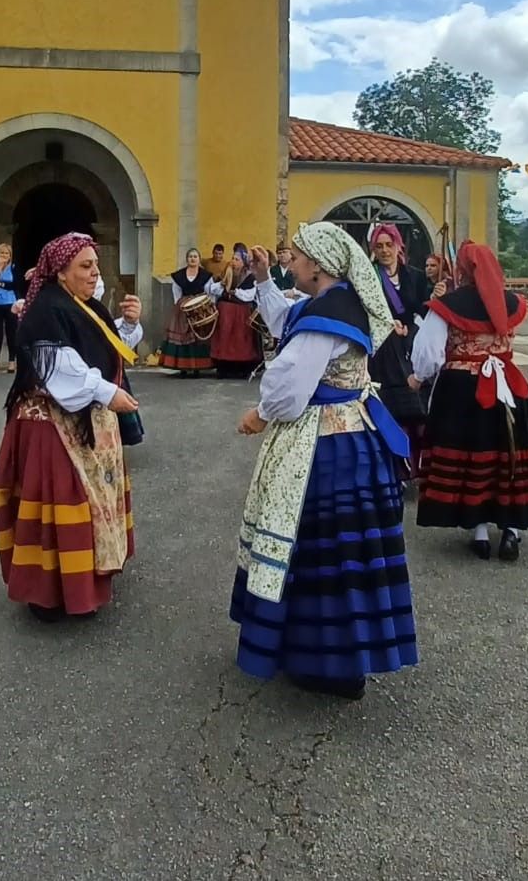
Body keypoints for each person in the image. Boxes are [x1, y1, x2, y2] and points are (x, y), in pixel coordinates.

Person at [231, 225, 418, 700]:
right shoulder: (339, 301)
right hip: (355, 437)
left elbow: (289, 384)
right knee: (348, 553)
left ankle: (330, 666)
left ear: (317, 264)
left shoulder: (328, 314)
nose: (289, 262)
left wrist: (260, 413)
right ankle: (342, 655)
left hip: (327, 446)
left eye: (293, 258)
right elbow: (285, 321)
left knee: (322, 550)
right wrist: (264, 279)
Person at [0, 233, 141, 622]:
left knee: (89, 504)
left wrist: (128, 324)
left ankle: (85, 577)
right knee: (60, 507)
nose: (94, 274)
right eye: (85, 267)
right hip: (52, 427)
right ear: (60, 272)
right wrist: (109, 393)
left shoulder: (84, 305)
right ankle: (49, 592)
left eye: (95, 265)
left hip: (81, 421)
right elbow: (63, 372)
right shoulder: (47, 309)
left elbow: (106, 347)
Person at [412, 241, 528, 561]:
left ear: (462, 270)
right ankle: (512, 530)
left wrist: (419, 376)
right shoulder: (511, 302)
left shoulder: (448, 305)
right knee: (509, 452)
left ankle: (478, 531)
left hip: (462, 389)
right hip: (509, 386)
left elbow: (429, 354)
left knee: (472, 451)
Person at [366, 223, 431, 476]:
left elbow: (423, 310)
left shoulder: (414, 276)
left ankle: (417, 465)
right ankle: (393, 468)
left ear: (398, 246)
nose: (385, 251)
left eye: (389, 245)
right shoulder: (370, 277)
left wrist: (410, 329)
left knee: (415, 406)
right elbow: (367, 309)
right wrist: (386, 324)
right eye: (379, 246)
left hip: (411, 345)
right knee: (388, 406)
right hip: (383, 350)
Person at [159, 248, 222, 375]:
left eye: (195, 257)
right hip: (183, 308)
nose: (193, 259)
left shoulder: (205, 275)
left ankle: (197, 367)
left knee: (198, 337)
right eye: (190, 257)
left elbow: (209, 291)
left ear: (199, 259)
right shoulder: (179, 276)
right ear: (187, 259)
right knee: (183, 337)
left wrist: (210, 305)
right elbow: (176, 294)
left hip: (199, 307)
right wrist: (180, 306)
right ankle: (182, 367)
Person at [211, 244, 263, 379]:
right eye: (233, 258)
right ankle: (224, 368)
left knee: (240, 340)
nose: (234, 261)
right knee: (224, 339)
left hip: (241, 312)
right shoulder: (226, 272)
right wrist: (222, 285)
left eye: (237, 259)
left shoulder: (249, 277)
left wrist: (235, 292)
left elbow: (249, 295)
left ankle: (241, 368)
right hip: (225, 312)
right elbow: (213, 289)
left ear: (244, 262)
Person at [0, 242, 21, 373]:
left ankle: (12, 361)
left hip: (10, 303)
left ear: (10, 255)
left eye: (6, 253)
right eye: (2, 253)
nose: (4, 255)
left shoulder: (14, 267)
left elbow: (14, 285)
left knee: (11, 332)